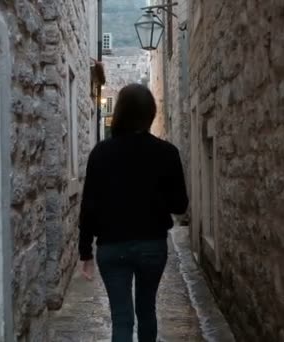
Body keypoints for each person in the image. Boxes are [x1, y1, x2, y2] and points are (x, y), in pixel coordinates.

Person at [78, 83, 189, 342]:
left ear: (120, 112)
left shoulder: (101, 153)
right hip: (152, 246)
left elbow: (89, 205)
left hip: (112, 248)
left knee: (122, 318)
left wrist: (85, 251)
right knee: (147, 311)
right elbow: (180, 206)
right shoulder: (167, 153)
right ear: (150, 113)